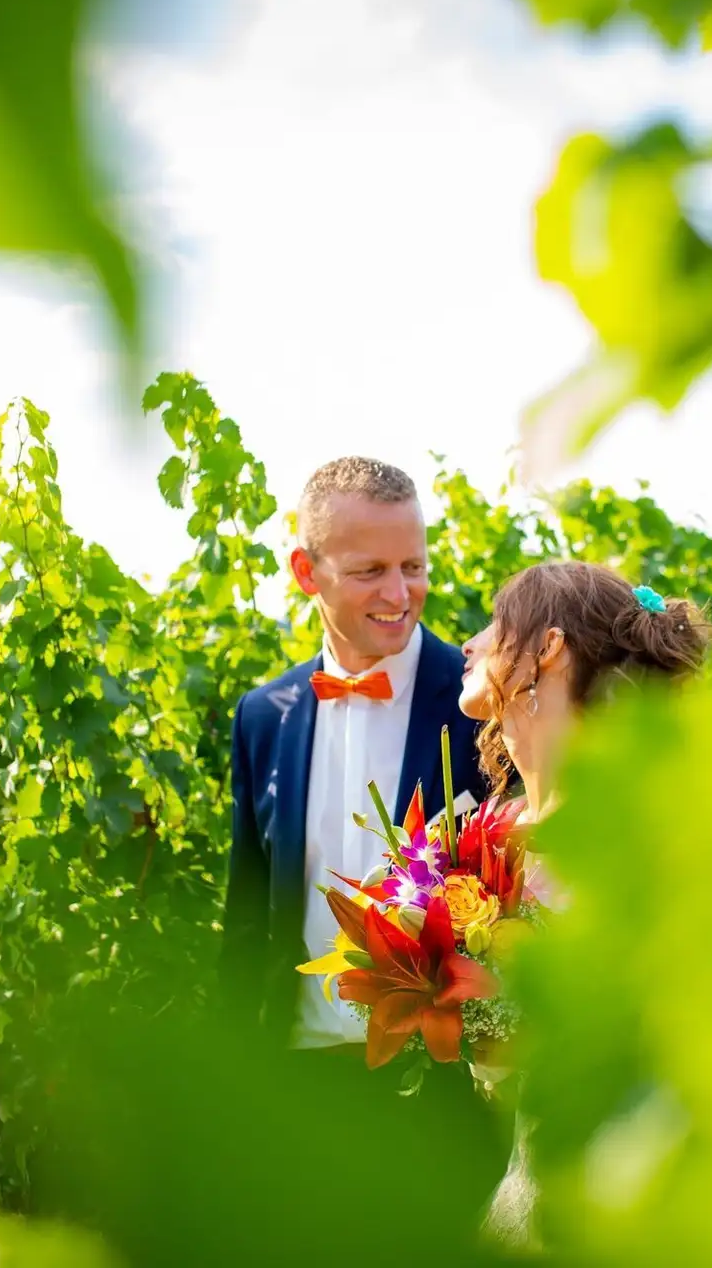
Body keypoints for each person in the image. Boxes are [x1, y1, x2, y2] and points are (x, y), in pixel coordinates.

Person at [218, 458, 498, 1209]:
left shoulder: (478, 705)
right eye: (370, 570)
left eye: (413, 566)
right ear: (307, 571)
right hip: (296, 1088)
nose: (400, 594)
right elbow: (246, 920)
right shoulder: (261, 715)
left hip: (441, 1097)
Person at [454, 559, 712, 1247]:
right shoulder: (490, 836)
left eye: (495, 625)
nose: (470, 644)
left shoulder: (640, 829)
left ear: (548, 648)